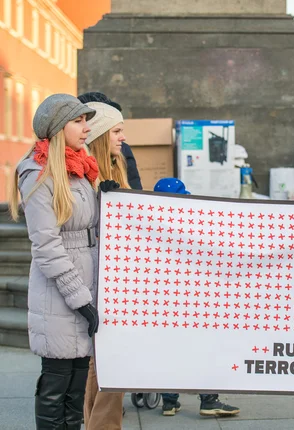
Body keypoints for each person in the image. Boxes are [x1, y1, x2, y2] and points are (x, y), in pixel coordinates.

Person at [8, 94, 100, 429]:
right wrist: (81, 301)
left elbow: (89, 226)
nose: (86, 127)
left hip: (85, 284)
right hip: (60, 294)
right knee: (56, 383)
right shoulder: (37, 173)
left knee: (77, 388)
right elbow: (46, 245)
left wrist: (110, 197)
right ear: (58, 127)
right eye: (78, 121)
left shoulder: (81, 169)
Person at [154, 177, 241, 418]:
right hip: (195, 302)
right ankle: (208, 399)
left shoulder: (150, 227)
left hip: (164, 302)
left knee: (170, 348)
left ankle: (169, 402)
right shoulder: (194, 226)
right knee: (204, 345)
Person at [82, 101, 128, 430]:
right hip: (99, 280)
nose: (123, 136)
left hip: (118, 279)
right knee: (107, 366)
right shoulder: (84, 175)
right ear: (100, 135)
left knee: (105, 367)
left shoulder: (117, 165)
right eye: (116, 130)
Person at [77, 92, 143, 190]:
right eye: (116, 131)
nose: (123, 138)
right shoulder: (74, 164)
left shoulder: (122, 155)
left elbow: (136, 196)